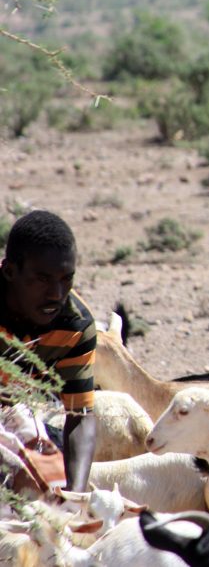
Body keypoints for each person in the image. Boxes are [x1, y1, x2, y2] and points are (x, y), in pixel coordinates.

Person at [0, 210, 97, 492]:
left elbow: (80, 416)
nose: (56, 293)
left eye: (66, 279)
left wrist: (75, 495)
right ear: (10, 272)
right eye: (42, 279)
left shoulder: (75, 326)